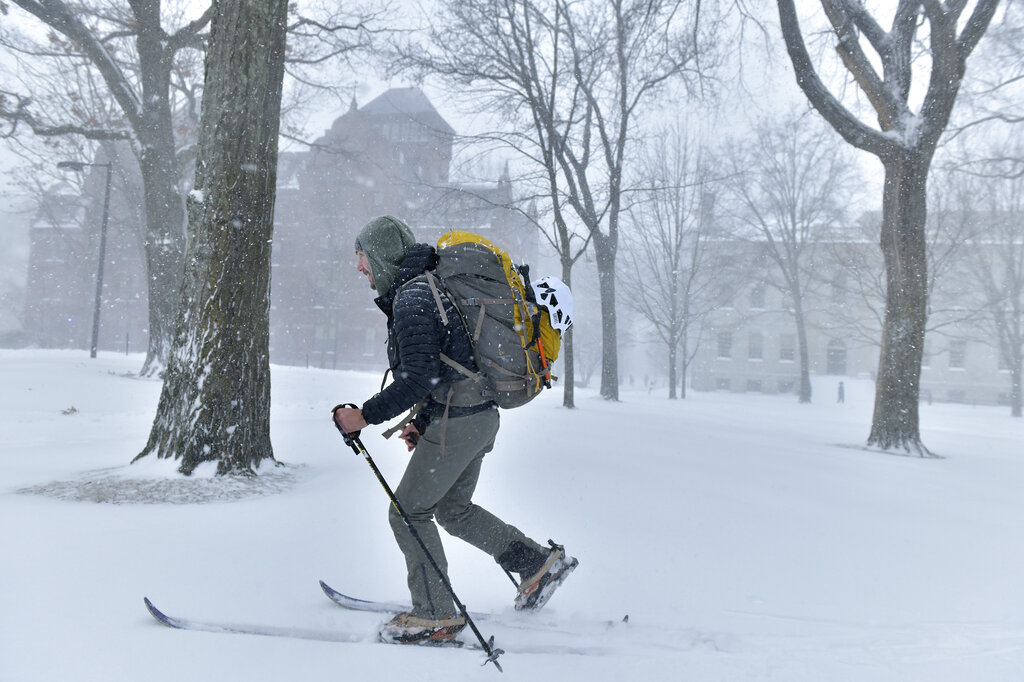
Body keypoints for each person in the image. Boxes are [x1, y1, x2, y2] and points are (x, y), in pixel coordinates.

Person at [332, 215, 577, 646]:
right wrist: (422, 422)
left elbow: (418, 377)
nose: (359, 268)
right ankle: (537, 563)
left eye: (362, 257)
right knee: (453, 510)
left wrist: (364, 417)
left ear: (382, 255)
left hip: (460, 422)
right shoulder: (426, 289)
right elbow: (449, 363)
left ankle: (435, 614)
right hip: (476, 418)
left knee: (407, 512)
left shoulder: (413, 297)